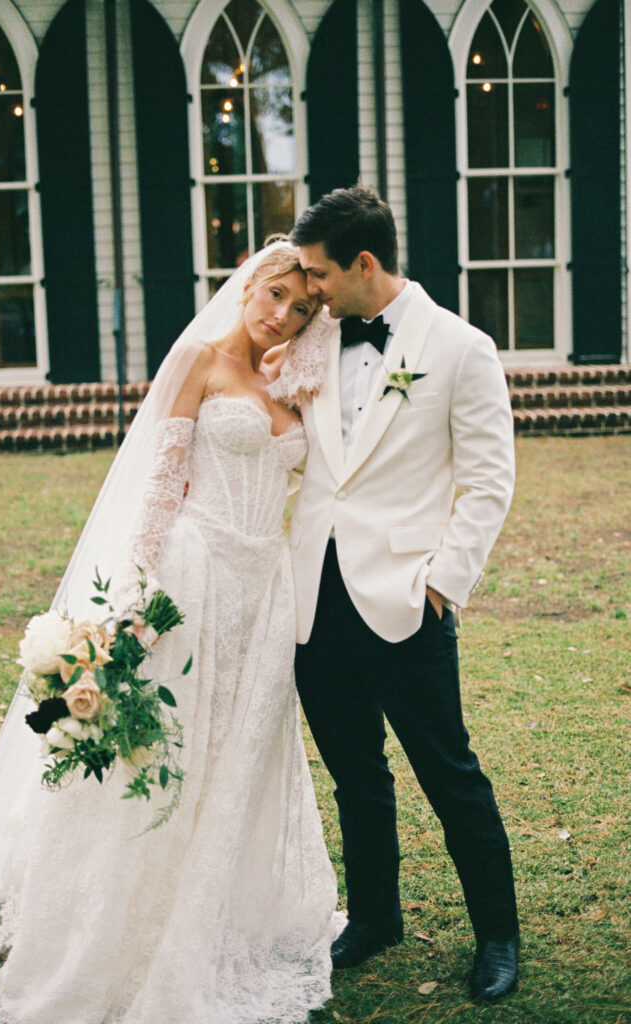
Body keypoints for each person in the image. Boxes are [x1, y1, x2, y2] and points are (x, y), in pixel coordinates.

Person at [0, 242, 344, 1024]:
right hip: (191, 579)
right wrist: (135, 595)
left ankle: (217, 909)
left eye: (300, 310)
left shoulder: (295, 379)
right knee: (166, 746)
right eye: (274, 297)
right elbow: (158, 487)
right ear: (245, 286)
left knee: (238, 752)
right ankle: (118, 920)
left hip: (264, 592)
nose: (281, 317)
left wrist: (310, 357)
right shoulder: (198, 358)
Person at [289, 186, 520, 1003]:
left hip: (404, 598)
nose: (307, 289)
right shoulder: (308, 338)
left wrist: (443, 583)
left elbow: (488, 482)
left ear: (363, 263)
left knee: (448, 771)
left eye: (317, 274)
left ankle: (497, 935)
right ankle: (376, 916)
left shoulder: (460, 347)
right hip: (312, 603)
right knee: (354, 773)